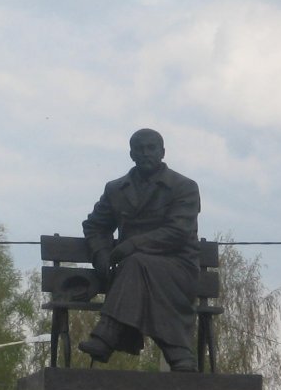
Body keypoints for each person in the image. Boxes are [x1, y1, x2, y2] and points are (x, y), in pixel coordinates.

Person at [78, 128, 201, 372]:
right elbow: (95, 226)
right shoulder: (116, 189)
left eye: (151, 148)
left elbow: (178, 232)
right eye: (139, 149)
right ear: (131, 154)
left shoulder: (183, 187)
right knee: (136, 265)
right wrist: (101, 254)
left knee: (136, 263)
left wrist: (133, 245)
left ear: (162, 152)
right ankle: (178, 352)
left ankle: (106, 337)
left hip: (177, 268)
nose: (145, 153)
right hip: (132, 274)